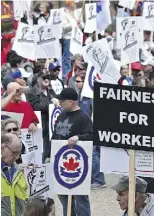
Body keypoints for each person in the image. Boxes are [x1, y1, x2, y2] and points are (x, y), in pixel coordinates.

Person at [52, 88, 93, 216]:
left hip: (77, 162)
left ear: (71, 102)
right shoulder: (61, 115)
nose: (60, 103)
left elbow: (91, 135)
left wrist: (78, 137)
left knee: (80, 198)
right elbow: (55, 134)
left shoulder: (83, 117)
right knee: (64, 197)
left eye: (62, 101)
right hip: (60, 161)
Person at [26, 72, 57, 161]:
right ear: (38, 79)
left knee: (51, 153)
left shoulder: (51, 91)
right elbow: (37, 107)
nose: (46, 79)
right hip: (41, 126)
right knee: (42, 152)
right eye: (44, 77)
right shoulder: (32, 92)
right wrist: (52, 104)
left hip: (52, 126)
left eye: (48, 77)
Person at [1, 134, 28, 216]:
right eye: (14, 153)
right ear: (2, 147)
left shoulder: (19, 172)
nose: (16, 157)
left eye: (18, 154)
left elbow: (26, 201)